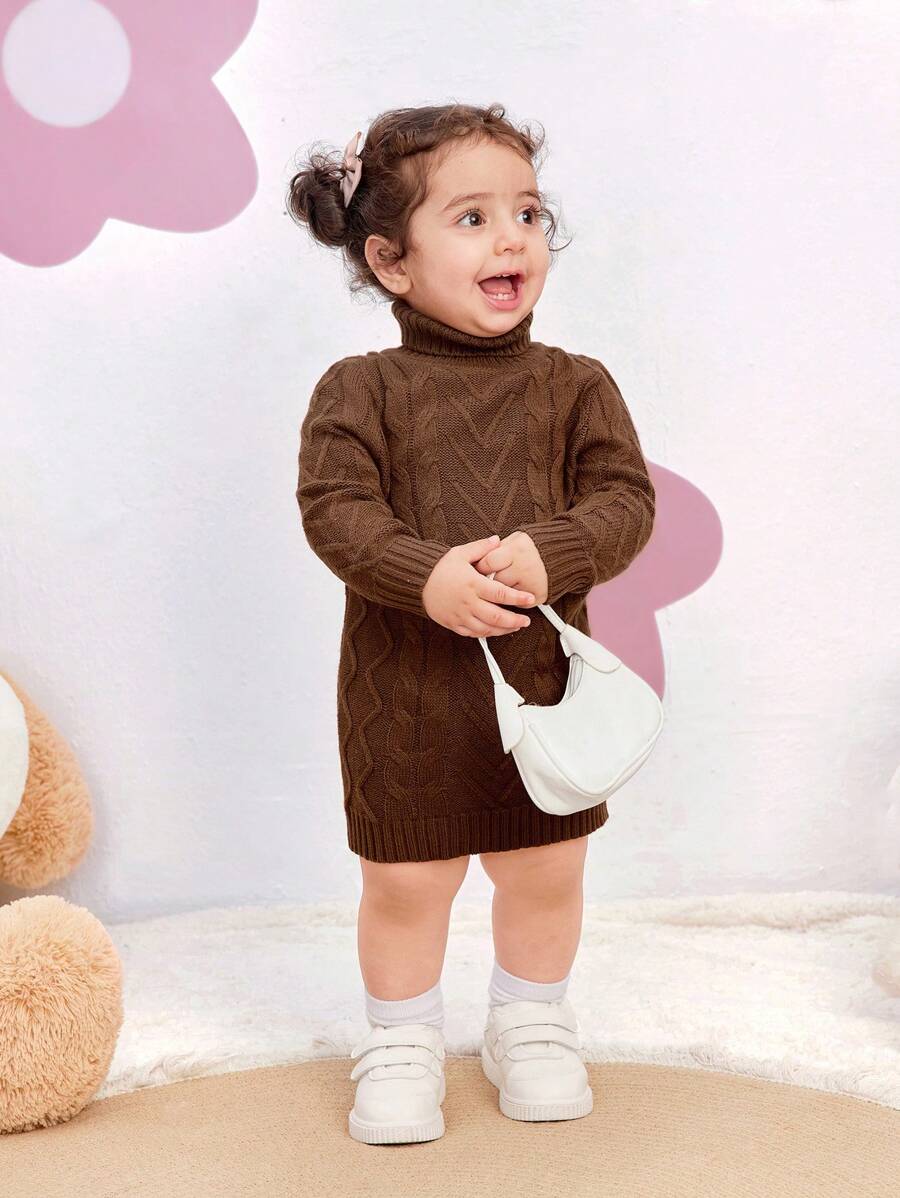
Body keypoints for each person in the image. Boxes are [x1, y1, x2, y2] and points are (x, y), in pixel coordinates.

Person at [288, 102, 655, 1144]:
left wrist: (557, 549)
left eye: (529, 213)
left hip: (541, 693)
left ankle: (530, 1020)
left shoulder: (576, 385)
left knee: (547, 867)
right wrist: (425, 575)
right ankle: (401, 1037)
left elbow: (625, 501)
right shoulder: (359, 390)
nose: (512, 240)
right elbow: (335, 511)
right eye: (472, 217)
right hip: (404, 698)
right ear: (390, 261)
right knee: (407, 881)